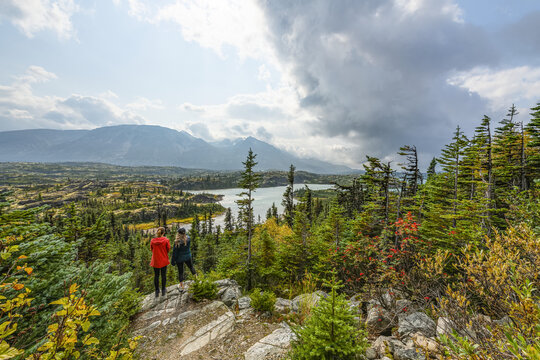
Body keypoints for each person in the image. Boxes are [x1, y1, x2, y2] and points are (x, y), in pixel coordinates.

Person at [150, 227, 170, 297]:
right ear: (163, 233)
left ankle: (157, 291)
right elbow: (168, 249)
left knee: (156, 275)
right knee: (163, 275)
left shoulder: (152, 241)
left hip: (155, 260)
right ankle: (163, 290)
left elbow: (151, 249)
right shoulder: (166, 240)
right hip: (163, 259)